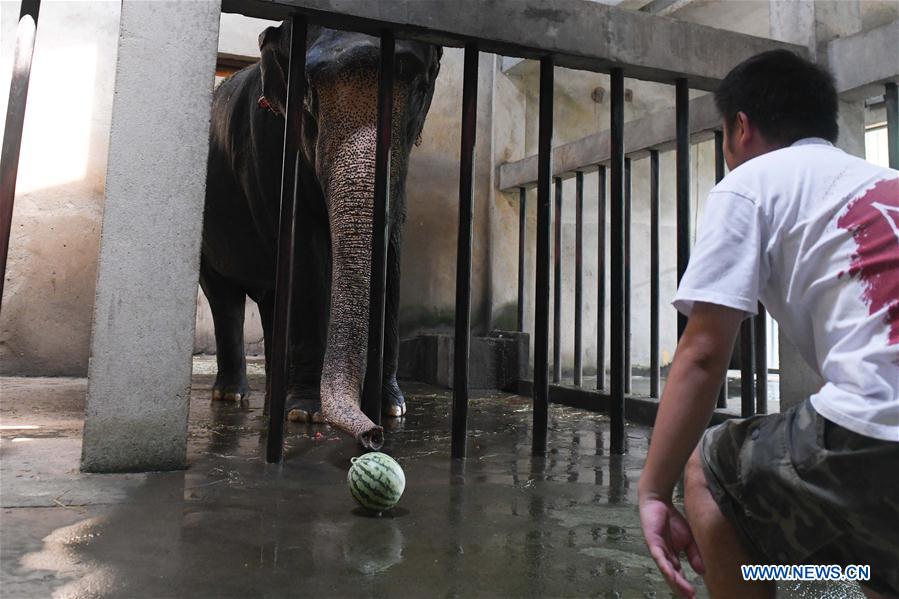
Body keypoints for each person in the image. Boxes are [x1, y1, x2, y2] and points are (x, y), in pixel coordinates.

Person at [638, 49, 899, 599]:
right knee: (871, 558)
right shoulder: (887, 181)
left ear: (741, 127)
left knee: (710, 469)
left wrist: (653, 492)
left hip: (876, 429)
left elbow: (704, 354)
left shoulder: (751, 182)